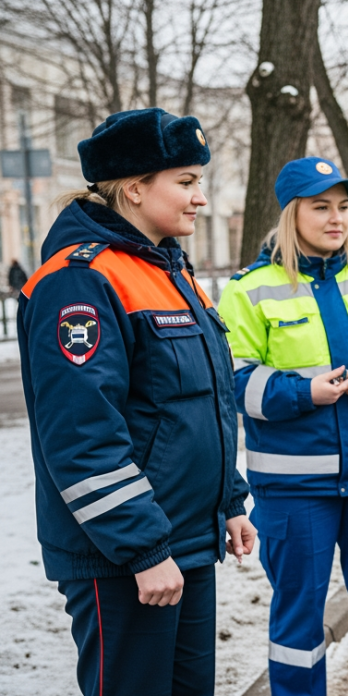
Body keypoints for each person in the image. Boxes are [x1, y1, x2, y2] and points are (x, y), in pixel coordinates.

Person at [19, 107, 254, 695]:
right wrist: (142, 547)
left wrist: (228, 501)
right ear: (133, 189)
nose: (200, 197)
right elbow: (81, 434)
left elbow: (198, 403)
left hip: (185, 542)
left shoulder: (168, 269)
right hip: (126, 556)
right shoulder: (80, 280)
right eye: (186, 182)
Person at [218, 157, 348, 696]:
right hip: (293, 489)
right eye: (320, 207)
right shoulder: (249, 289)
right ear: (291, 213)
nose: (336, 218)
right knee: (298, 624)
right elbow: (234, 379)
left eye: (342, 206)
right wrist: (303, 392)